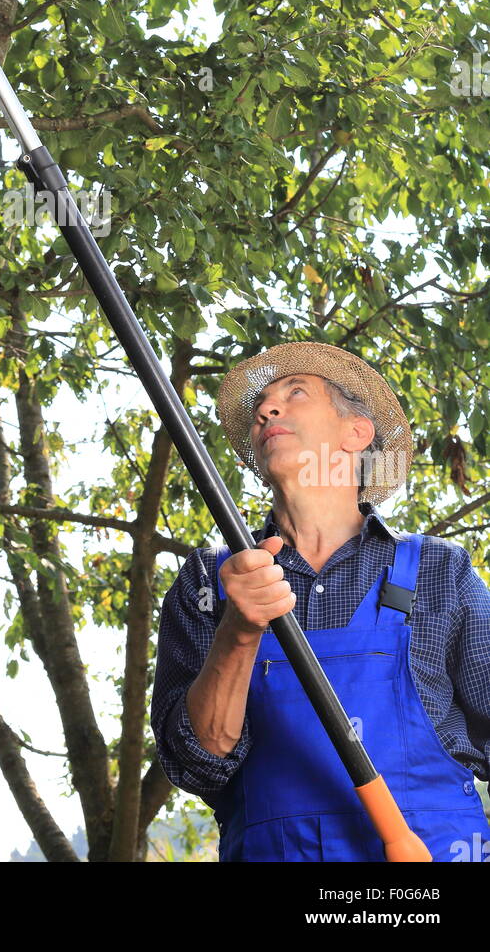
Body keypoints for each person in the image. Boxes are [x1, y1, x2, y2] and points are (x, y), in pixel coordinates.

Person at [150, 341, 490, 862]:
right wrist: (239, 632)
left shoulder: (440, 573)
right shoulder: (209, 581)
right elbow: (196, 762)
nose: (266, 409)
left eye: (295, 392)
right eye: (262, 404)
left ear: (356, 433)